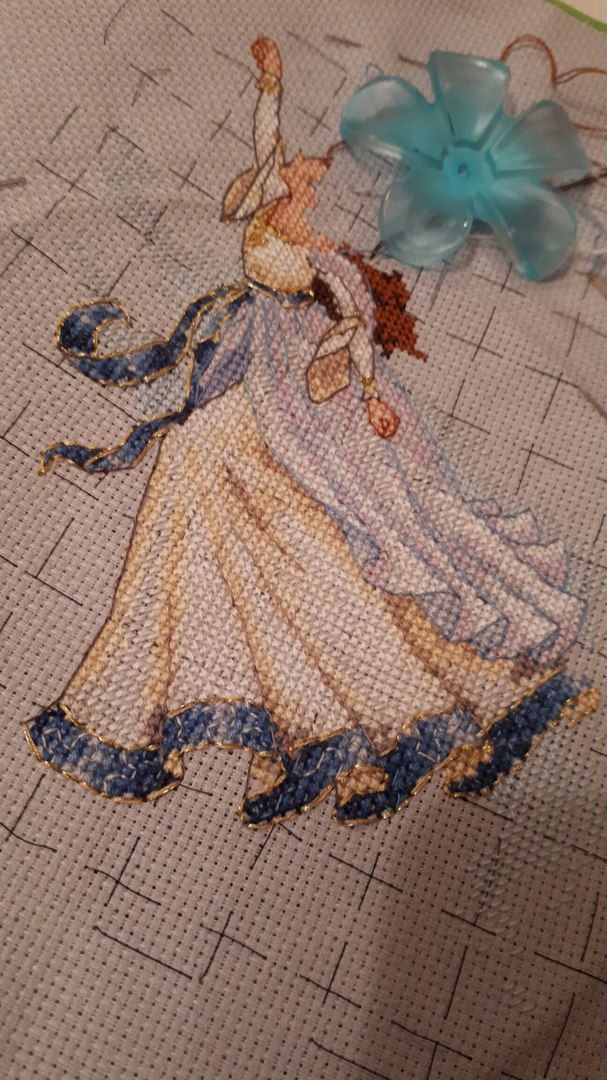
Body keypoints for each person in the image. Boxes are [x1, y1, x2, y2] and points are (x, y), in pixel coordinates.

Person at [24, 38, 598, 827]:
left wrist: (370, 397)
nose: (309, 176)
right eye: (310, 173)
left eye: (316, 178)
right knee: (227, 529)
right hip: (249, 396)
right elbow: (266, 144)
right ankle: (285, 719)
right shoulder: (272, 206)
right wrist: (269, 82)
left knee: (299, 545)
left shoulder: (326, 261)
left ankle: (357, 717)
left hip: (289, 411)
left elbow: (353, 335)